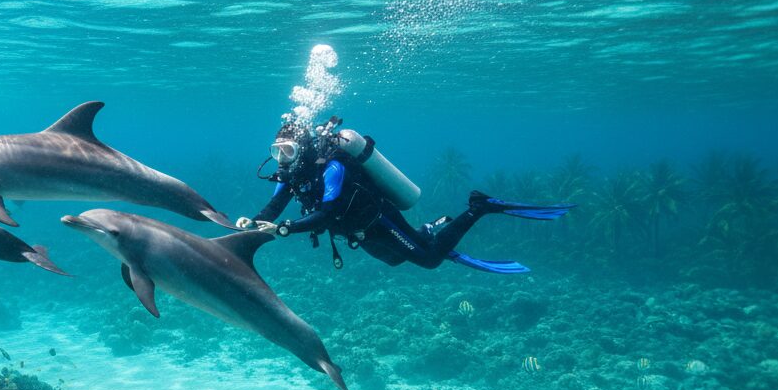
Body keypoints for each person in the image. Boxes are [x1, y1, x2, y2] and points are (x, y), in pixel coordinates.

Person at [236, 117, 573, 273]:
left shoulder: (332, 167)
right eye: (277, 151)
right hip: (356, 231)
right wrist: (255, 222)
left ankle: (480, 207)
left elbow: (326, 213)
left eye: (289, 151)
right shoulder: (292, 174)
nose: (282, 160)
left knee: (428, 260)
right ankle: (426, 234)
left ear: (304, 148)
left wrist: (283, 229)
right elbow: (275, 205)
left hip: (378, 220)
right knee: (398, 259)